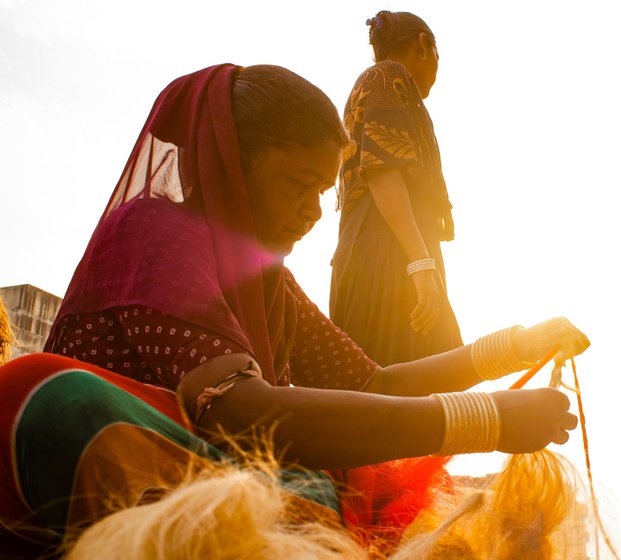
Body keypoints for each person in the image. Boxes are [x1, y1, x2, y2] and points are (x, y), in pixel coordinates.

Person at [0, 64, 589, 555]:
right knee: (50, 394)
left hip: (212, 480)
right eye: (297, 184)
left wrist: (515, 345)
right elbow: (239, 412)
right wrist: (485, 420)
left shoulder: (265, 276)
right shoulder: (153, 231)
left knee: (314, 483)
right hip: (117, 474)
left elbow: (374, 382)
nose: (312, 212)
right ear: (230, 162)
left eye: (322, 194)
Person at [330, 11, 461, 366]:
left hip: (379, 251)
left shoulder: (372, 84)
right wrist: (421, 265)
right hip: (390, 255)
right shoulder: (388, 77)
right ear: (423, 45)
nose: (438, 64)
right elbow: (383, 172)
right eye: (438, 52)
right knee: (421, 384)